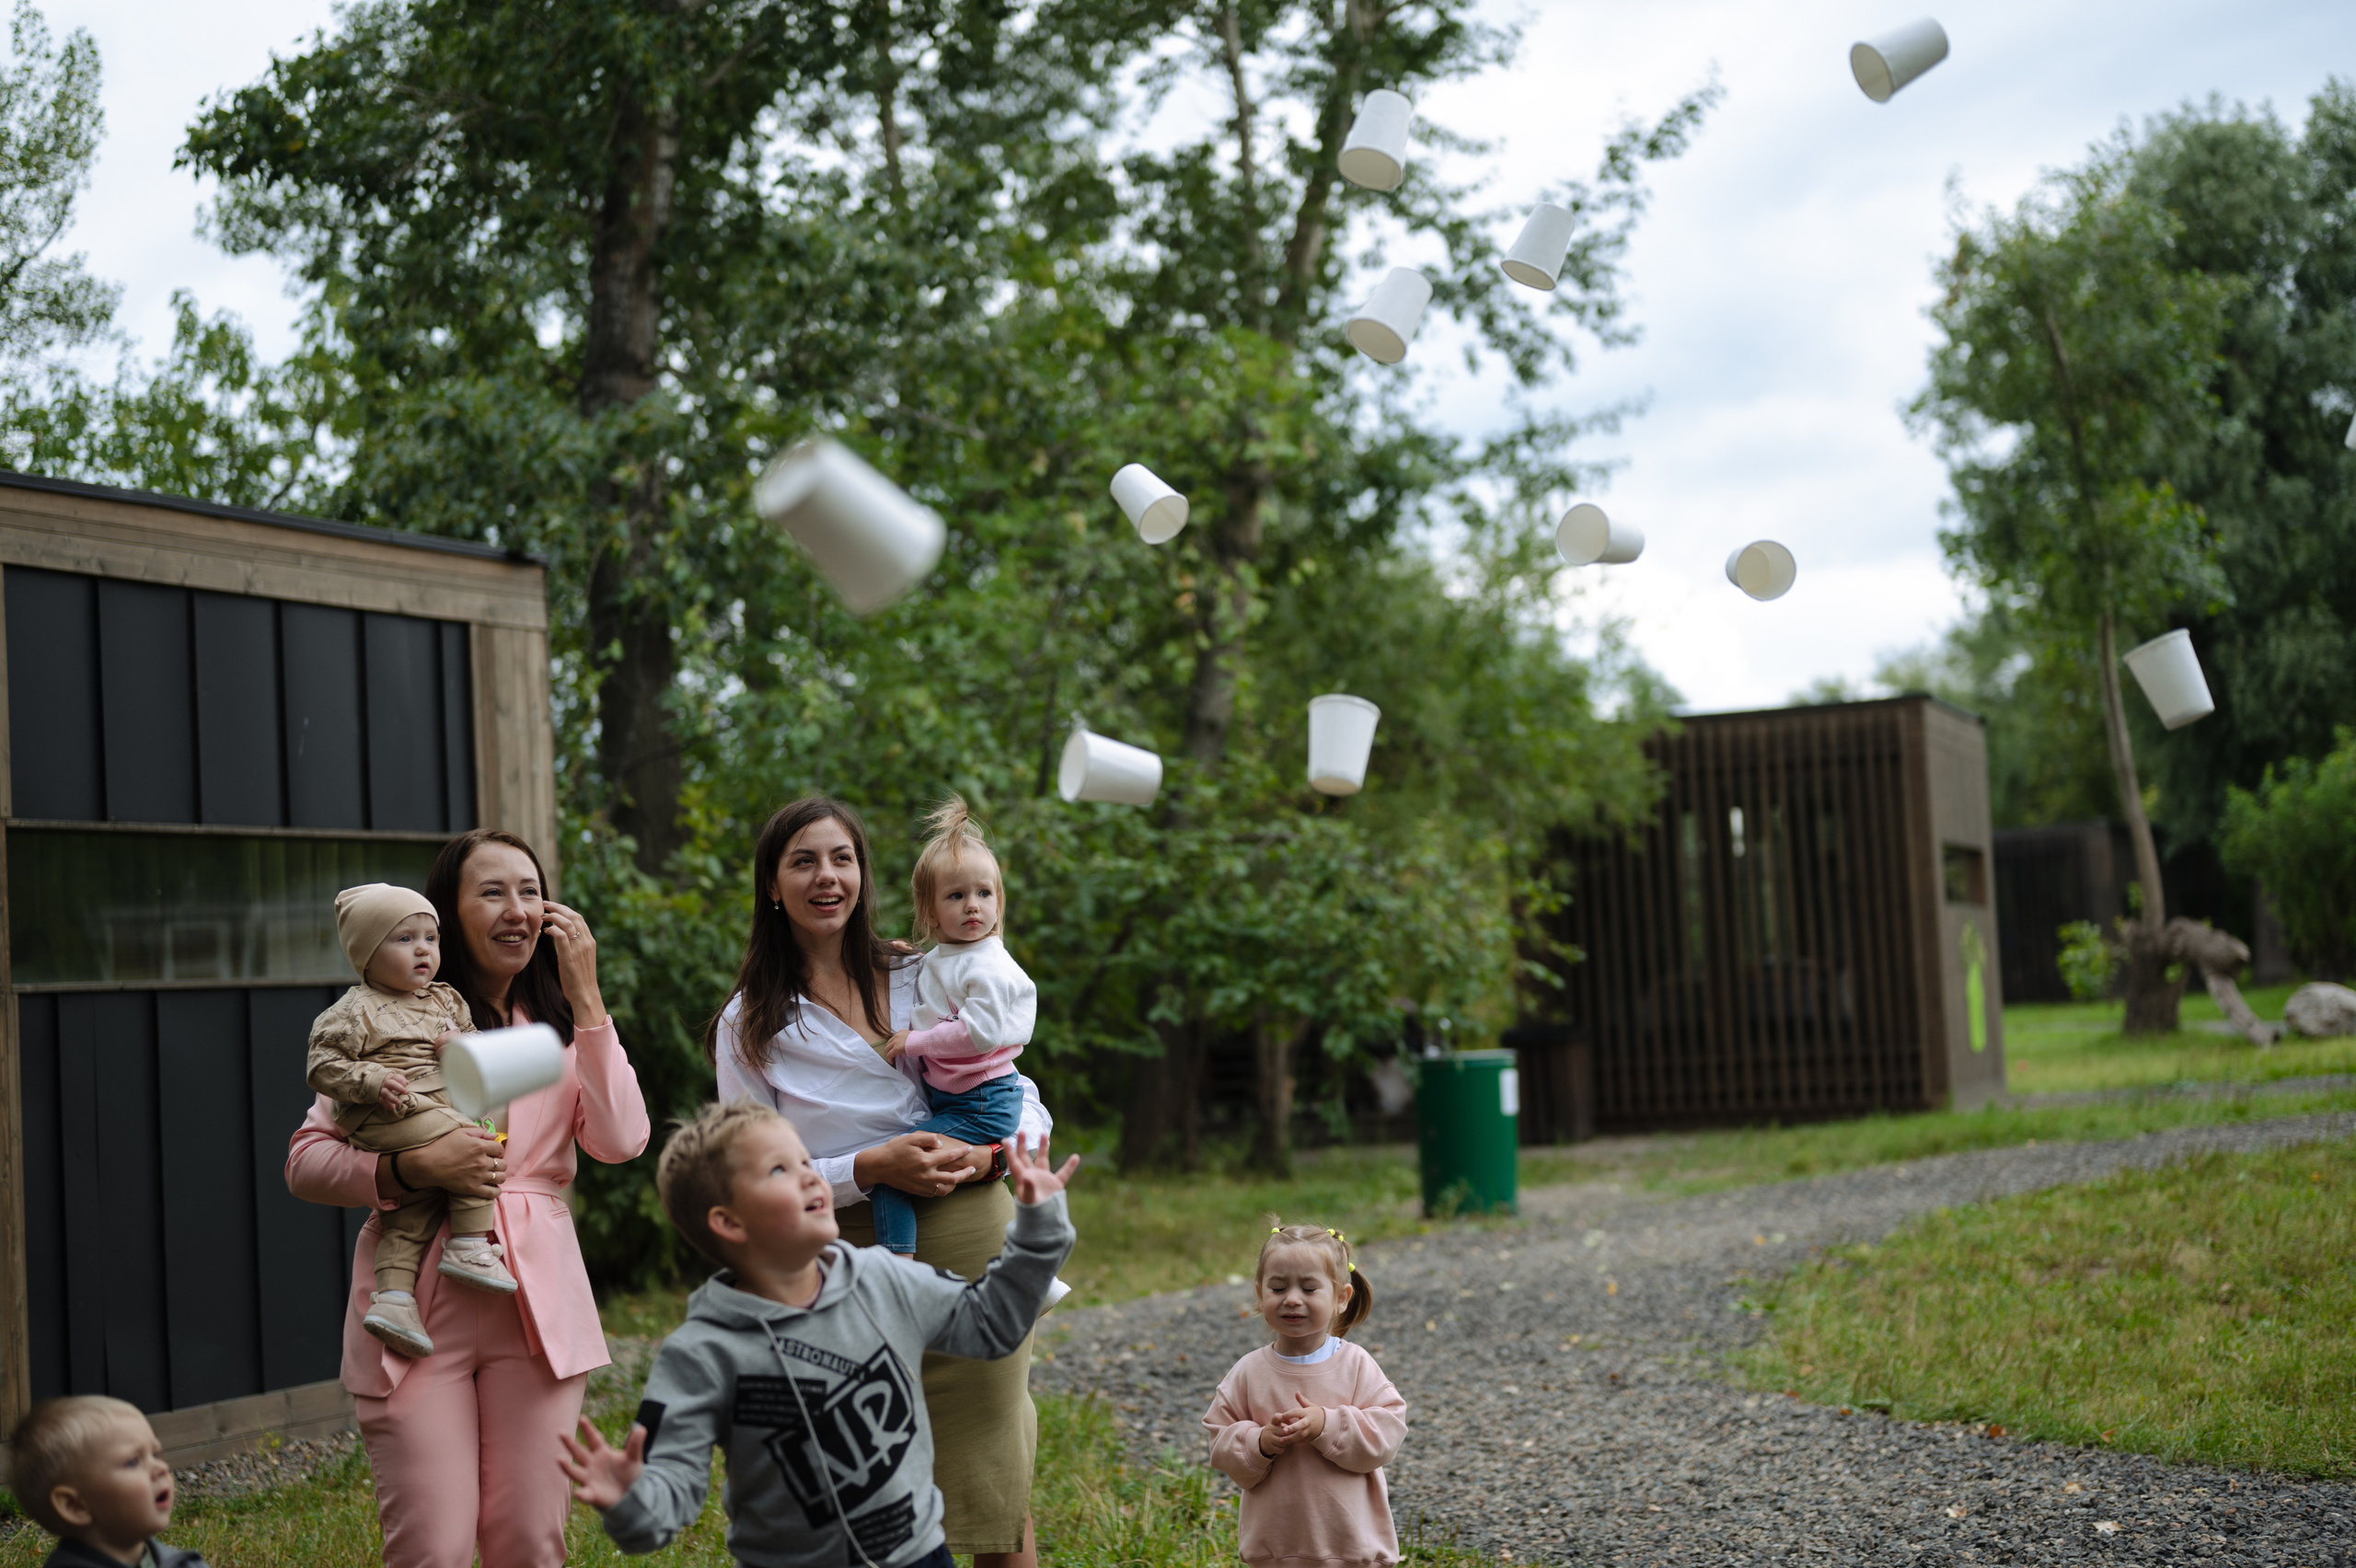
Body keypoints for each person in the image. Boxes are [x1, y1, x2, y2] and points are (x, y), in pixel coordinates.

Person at [286, 828, 651, 1568]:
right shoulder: (392, 1022)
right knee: (434, 1548)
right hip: (415, 1311)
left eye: (528, 891)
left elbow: (621, 1139)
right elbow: (306, 1162)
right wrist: (410, 1169)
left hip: (535, 1310)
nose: (516, 909)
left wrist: (586, 997)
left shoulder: (558, 1032)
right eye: (492, 892)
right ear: (447, 915)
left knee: (528, 1542)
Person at [708, 796, 1055, 1567]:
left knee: (992, 1470)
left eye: (842, 858)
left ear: (864, 875)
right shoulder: (750, 1024)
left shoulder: (919, 971)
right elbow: (750, 1177)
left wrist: (995, 1156)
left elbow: (1014, 1088)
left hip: (973, 1241)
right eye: (803, 860)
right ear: (772, 884)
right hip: (848, 1264)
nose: (826, 876)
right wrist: (868, 1168)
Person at [558, 1101, 1079, 1568]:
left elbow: (991, 1325)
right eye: (781, 1169)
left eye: (806, 1161)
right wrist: (632, 1502)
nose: (811, 1177)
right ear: (729, 1222)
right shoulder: (701, 1353)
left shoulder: (883, 1280)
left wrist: (1037, 1233)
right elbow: (669, 1492)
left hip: (919, 1553)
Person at [306, 883, 514, 1360]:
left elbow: (481, 1046)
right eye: (403, 939)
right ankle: (469, 1243)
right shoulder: (352, 1010)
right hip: (385, 1114)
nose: (423, 948)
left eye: (430, 937)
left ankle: (394, 1300)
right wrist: (373, 1079)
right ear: (366, 954)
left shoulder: (445, 1001)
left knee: (413, 1210)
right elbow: (322, 1064)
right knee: (474, 1142)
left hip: (433, 1107)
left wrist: (462, 1048)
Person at [871, 798, 1035, 1256]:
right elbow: (938, 980)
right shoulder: (950, 957)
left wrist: (914, 1042)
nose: (972, 907)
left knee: (894, 1172)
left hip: (982, 1101)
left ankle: (895, 1262)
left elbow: (979, 1033)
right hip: (965, 1098)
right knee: (914, 1163)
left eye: (984, 894)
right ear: (929, 910)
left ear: (999, 904)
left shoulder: (988, 964)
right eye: (956, 896)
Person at [1203, 1225, 1407, 1568]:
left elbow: (1387, 1431)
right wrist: (1260, 1442)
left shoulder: (1355, 1364)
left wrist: (1328, 1424)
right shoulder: (1250, 1371)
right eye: (1278, 1287)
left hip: (1351, 1546)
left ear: (1341, 1298)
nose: (1292, 1298)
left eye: (1309, 1288)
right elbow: (1220, 1441)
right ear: (1260, 1292)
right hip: (1277, 1549)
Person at [6, 1395, 211, 1567]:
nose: (161, 1468)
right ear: (76, 1505)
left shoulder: (182, 1563)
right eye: (132, 1462)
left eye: (156, 1455)